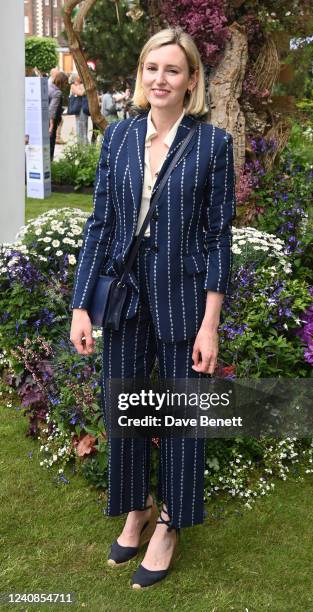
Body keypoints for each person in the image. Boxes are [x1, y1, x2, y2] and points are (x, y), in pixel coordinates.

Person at [69, 26, 236, 589]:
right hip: (122, 298)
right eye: (151, 68)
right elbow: (100, 226)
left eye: (172, 70)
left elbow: (218, 238)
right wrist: (80, 306)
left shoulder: (212, 145)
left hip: (184, 299)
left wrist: (210, 323)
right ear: (140, 76)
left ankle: (171, 522)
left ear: (191, 82)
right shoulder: (116, 137)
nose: (160, 79)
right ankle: (136, 507)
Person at [48, 71, 68, 161]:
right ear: (62, 81)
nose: (66, 85)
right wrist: (52, 125)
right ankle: (50, 162)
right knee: (51, 142)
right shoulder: (57, 92)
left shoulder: (49, 87)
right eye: (65, 82)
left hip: (44, 119)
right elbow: (52, 109)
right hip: (51, 121)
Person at [70, 75, 89, 145]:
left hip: (83, 107)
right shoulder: (73, 86)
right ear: (75, 78)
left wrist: (82, 87)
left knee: (85, 124)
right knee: (80, 124)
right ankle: (81, 144)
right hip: (79, 108)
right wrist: (83, 88)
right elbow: (81, 93)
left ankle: (85, 142)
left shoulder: (82, 85)